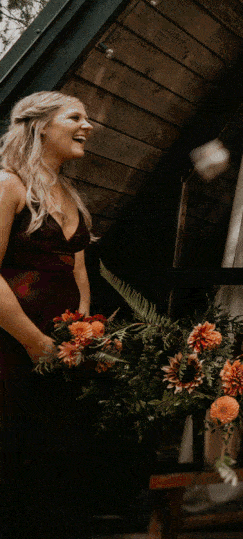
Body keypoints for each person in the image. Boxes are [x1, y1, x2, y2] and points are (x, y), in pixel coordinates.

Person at [0, 91, 95, 539]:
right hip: (11, 347)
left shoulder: (70, 194)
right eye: (75, 117)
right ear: (40, 126)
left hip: (61, 352)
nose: (87, 126)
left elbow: (78, 271)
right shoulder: (7, 184)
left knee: (53, 457)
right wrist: (35, 342)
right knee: (11, 452)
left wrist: (83, 333)